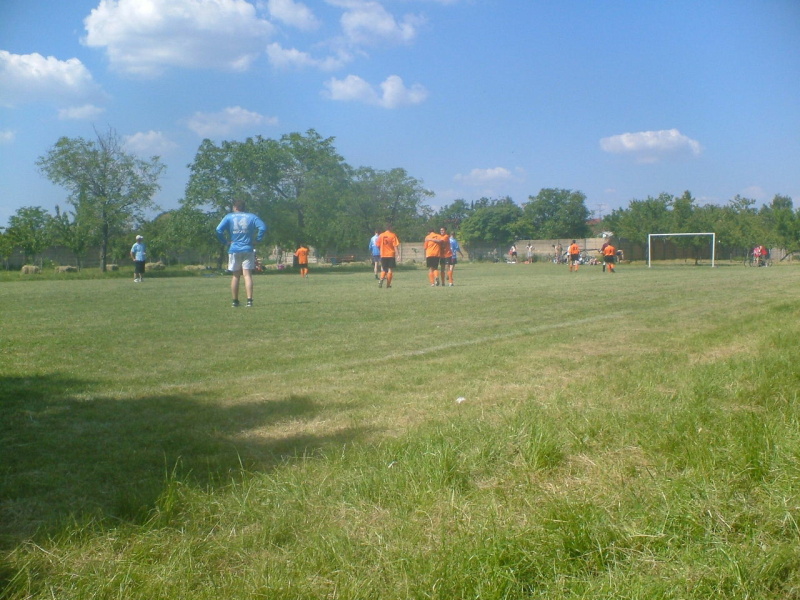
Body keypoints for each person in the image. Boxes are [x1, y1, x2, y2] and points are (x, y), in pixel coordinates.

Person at [216, 197, 267, 307]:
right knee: (247, 275)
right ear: (244, 207)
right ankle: (249, 301)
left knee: (235, 276)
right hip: (248, 248)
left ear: (235, 207)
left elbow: (218, 230)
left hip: (234, 249)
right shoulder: (252, 217)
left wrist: (225, 242)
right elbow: (263, 227)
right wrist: (258, 240)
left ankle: (235, 301)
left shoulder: (229, 217)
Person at [377, 223, 400, 288]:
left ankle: (381, 278)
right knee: (390, 269)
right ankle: (388, 284)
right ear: (390, 228)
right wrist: (398, 255)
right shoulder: (393, 235)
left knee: (384, 269)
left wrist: (381, 250)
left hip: (383, 254)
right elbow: (395, 246)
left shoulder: (381, 235)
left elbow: (378, 245)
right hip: (391, 254)